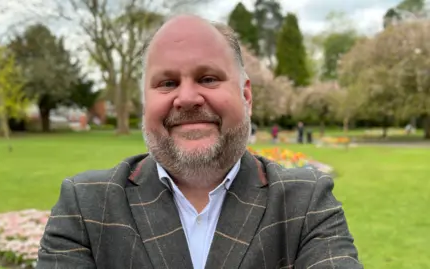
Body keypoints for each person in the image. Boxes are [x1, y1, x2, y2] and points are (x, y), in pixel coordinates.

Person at [37, 15, 362, 269]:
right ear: (144, 102)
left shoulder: (306, 204)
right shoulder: (86, 207)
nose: (188, 98)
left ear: (246, 94)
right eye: (167, 83)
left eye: (208, 78)